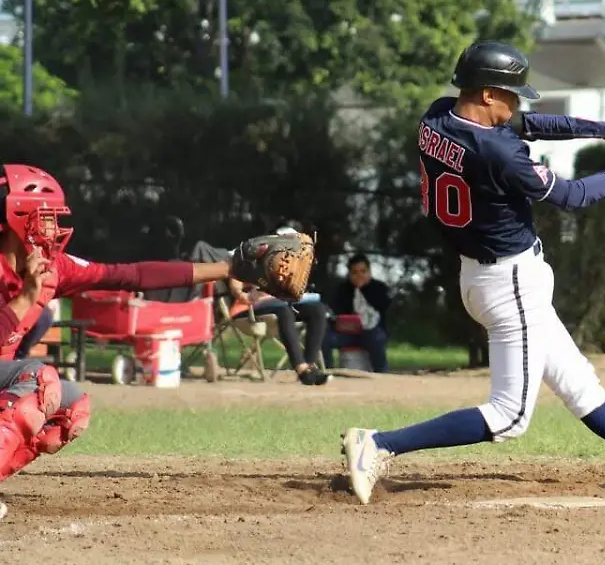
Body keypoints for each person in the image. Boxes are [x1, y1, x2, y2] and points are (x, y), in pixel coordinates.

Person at [341, 41, 605, 505]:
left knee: (578, 385)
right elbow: (573, 197)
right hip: (508, 280)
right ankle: (380, 442)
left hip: (481, 275)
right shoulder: (500, 155)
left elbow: (531, 125)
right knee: (509, 416)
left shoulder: (437, 117)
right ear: (488, 94)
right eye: (511, 94)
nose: (517, 104)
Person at [0, 164, 286, 520]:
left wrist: (229, 268)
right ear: (15, 216)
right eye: (44, 217)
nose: (52, 228)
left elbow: (131, 275)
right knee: (40, 380)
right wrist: (25, 300)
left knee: (71, 410)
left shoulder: (51, 267)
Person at [190, 227, 331, 386]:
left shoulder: (294, 267)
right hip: (251, 307)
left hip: (284, 303)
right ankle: (302, 369)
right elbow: (236, 283)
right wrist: (247, 295)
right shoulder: (255, 257)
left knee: (317, 309)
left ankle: (311, 366)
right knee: (284, 312)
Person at [323, 252, 391, 373]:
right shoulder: (343, 290)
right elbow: (335, 312)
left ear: (369, 272)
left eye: (363, 271)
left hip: (371, 332)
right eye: (355, 273)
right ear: (349, 274)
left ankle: (382, 373)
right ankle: (327, 370)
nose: (359, 276)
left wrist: (363, 289)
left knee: (376, 338)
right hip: (348, 334)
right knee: (325, 338)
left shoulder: (379, 288)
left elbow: (383, 307)